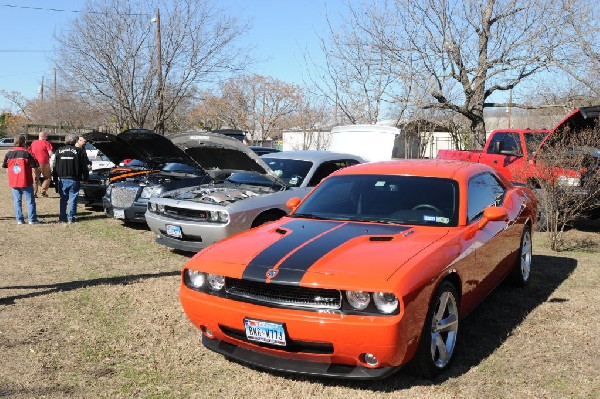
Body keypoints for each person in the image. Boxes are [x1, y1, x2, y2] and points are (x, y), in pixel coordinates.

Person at [2, 134, 42, 224]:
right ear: (24, 142)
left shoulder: (9, 153)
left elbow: (6, 167)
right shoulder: (27, 153)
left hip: (14, 182)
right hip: (26, 181)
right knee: (30, 201)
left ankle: (19, 220)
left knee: (17, 201)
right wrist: (37, 177)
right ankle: (32, 219)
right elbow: (35, 166)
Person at [53, 134, 89, 223]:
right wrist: (86, 177)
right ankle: (71, 218)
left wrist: (54, 178)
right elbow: (84, 166)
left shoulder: (59, 151)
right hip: (74, 178)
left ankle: (62, 218)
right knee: (73, 198)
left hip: (62, 178)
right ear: (75, 141)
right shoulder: (80, 151)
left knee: (63, 199)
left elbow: (55, 166)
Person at [29, 131, 54, 198]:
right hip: (44, 162)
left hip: (34, 163)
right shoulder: (46, 143)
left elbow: (30, 152)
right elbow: (50, 153)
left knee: (35, 178)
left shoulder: (33, 143)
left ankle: (34, 193)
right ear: (43, 136)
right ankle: (43, 191)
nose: (47, 138)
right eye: (46, 136)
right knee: (48, 177)